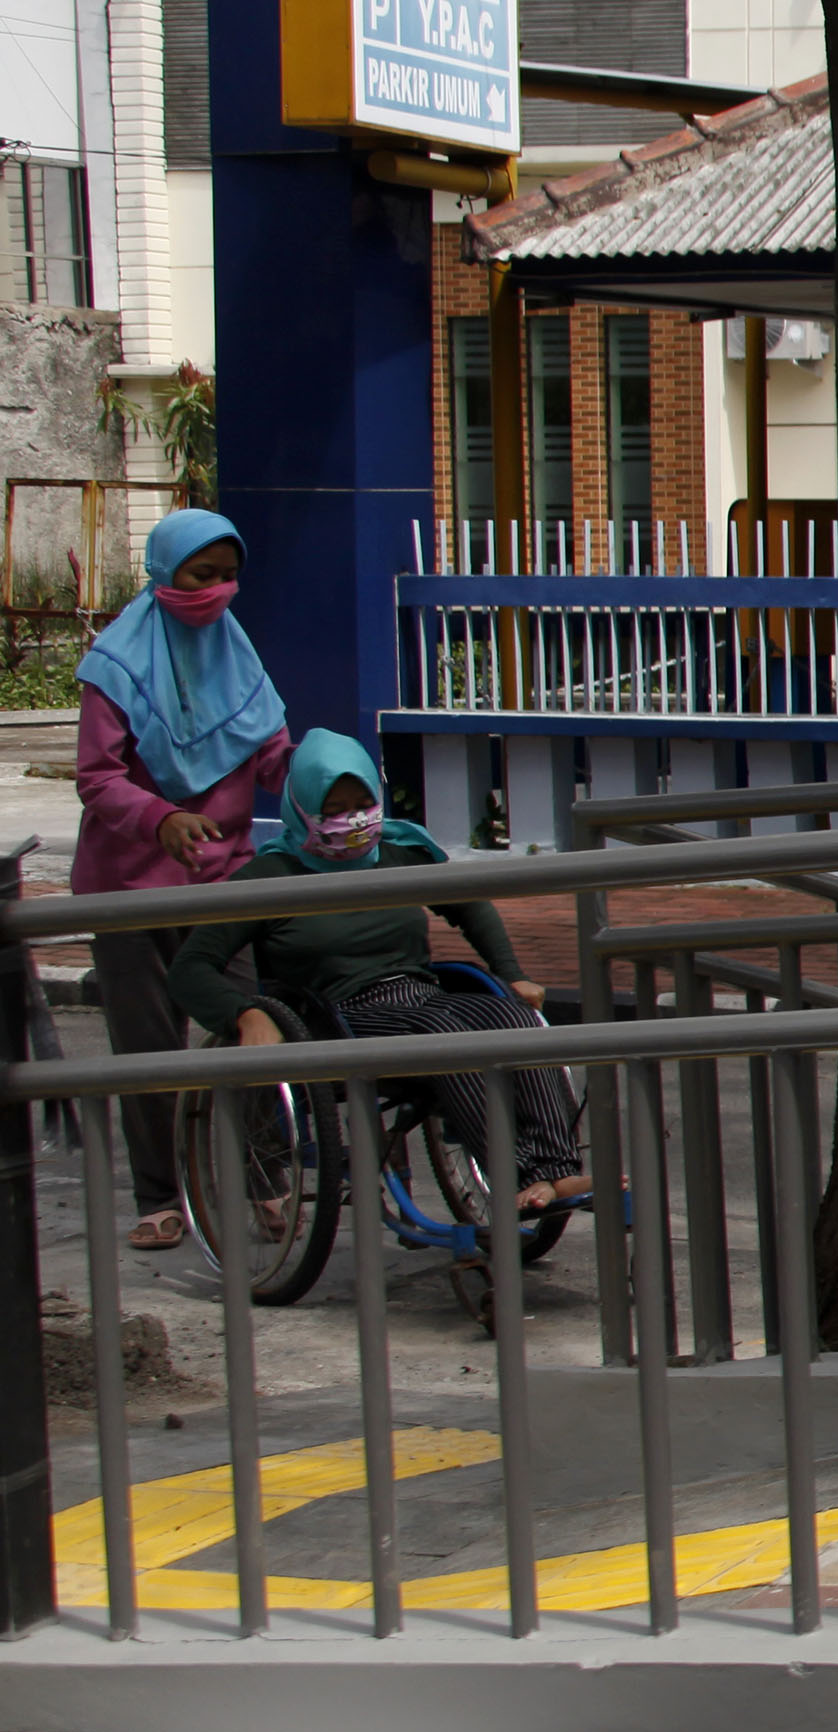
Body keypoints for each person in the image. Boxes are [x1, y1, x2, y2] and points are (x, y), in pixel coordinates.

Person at [166, 729, 589, 1223]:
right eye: (334, 808)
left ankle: (555, 1169)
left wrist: (510, 974)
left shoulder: (401, 852)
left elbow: (471, 905)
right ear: (302, 808)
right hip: (336, 1013)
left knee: (512, 1019)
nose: (353, 819)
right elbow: (190, 969)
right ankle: (518, 1177)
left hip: (419, 994)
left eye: (362, 804)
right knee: (447, 1036)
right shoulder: (269, 878)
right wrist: (244, 1014)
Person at [73, 507, 294, 1252]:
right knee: (148, 1046)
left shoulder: (238, 657)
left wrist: (319, 777)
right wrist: (159, 817)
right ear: (166, 573)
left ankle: (265, 1179)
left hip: (222, 881)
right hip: (130, 889)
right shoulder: (115, 664)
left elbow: (271, 753)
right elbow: (97, 777)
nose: (217, 591)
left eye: (229, 576)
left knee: (250, 1020)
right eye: (203, 575)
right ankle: (162, 1196)